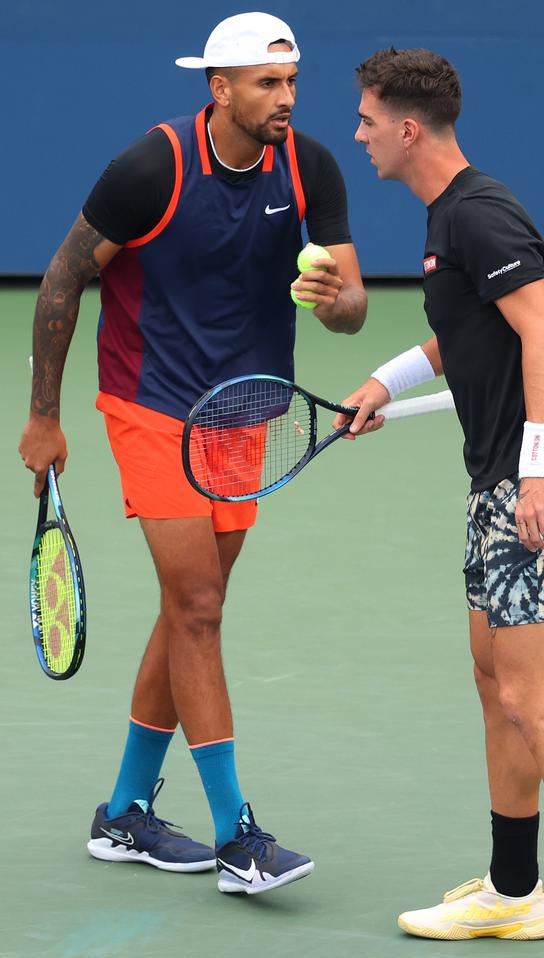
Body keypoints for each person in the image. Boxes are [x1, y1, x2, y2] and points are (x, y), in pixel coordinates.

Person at [18, 12, 367, 897]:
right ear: (220, 88)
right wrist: (44, 417)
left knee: (188, 610)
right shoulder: (151, 168)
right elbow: (63, 277)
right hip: (149, 404)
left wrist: (334, 303)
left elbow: (353, 303)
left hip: (245, 414)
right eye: (265, 84)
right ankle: (238, 834)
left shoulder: (310, 166)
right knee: (201, 603)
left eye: (291, 82)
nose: (285, 99)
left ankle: (125, 813)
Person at [335, 46, 544, 958]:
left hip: (539, 485)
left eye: (363, 118)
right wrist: (384, 383)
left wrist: (537, 470)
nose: (355, 133)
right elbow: (464, 331)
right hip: (499, 482)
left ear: (407, 127)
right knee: (493, 678)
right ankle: (516, 891)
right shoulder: (446, 222)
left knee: (532, 695)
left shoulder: (478, 210)